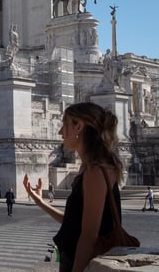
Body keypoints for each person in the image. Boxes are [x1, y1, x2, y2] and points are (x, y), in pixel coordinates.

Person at [24, 102, 124, 272]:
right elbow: (74, 223)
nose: (60, 132)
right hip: (71, 257)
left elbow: (88, 236)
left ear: (79, 126)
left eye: (65, 124)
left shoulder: (96, 171)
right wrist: (40, 202)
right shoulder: (88, 167)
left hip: (80, 262)